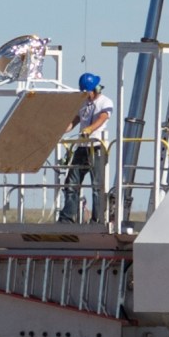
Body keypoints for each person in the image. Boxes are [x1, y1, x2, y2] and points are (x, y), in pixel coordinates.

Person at [57, 71, 115, 223]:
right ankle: (67, 218)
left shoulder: (105, 102)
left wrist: (90, 129)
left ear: (94, 89)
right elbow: (75, 120)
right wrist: (60, 129)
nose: (85, 94)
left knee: (97, 186)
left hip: (96, 148)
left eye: (86, 91)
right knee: (71, 183)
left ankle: (98, 219)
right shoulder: (83, 104)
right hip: (82, 147)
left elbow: (103, 118)